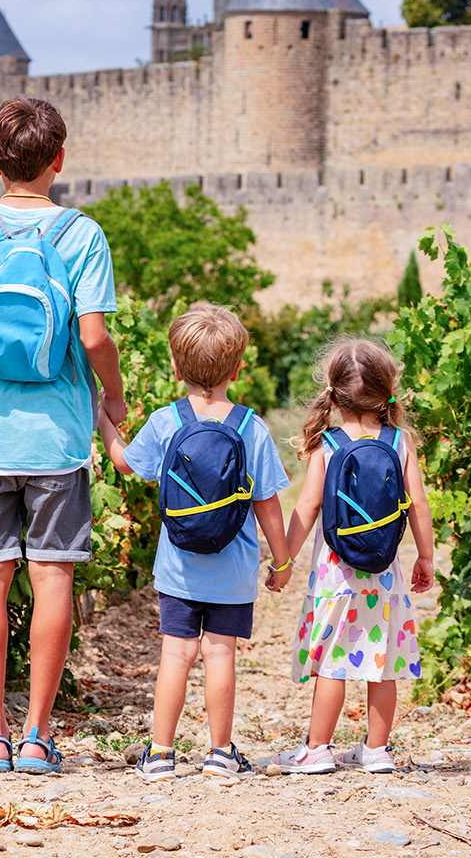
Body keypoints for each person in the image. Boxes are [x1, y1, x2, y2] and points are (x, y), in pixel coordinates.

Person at [0, 96, 127, 775]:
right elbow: (95, 337)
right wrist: (114, 394)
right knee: (52, 576)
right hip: (60, 439)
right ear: (60, 160)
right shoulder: (82, 235)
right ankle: (37, 735)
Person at [97, 303, 292, 780]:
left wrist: (104, 420)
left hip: (178, 565)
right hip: (235, 566)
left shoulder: (168, 421)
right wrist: (282, 560)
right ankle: (220, 753)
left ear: (176, 368)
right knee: (220, 652)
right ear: (239, 368)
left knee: (177, 653)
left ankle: (161, 753)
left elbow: (126, 464)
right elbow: (267, 503)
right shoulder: (252, 427)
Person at [264, 338, 435, 774]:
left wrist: (283, 561)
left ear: (334, 393)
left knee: (332, 662)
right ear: (387, 390)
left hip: (334, 574)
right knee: (384, 661)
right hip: (384, 573)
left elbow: (306, 507)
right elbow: (418, 503)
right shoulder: (400, 442)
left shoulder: (330, 444)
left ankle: (318, 749)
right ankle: (376, 750)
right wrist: (425, 558)